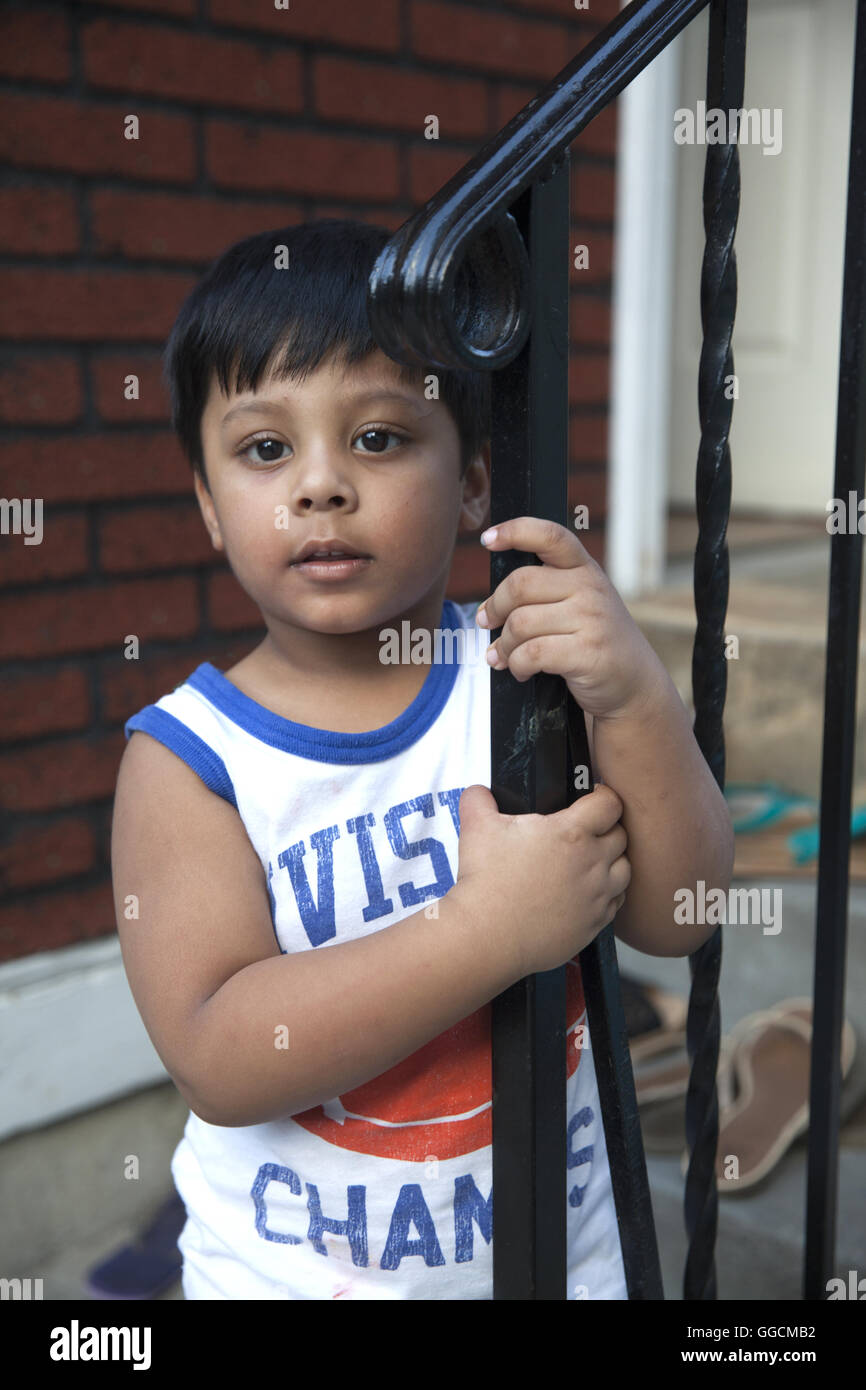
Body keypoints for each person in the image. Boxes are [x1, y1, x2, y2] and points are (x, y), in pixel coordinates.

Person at [111, 218, 734, 1300]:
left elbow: (681, 914)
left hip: (562, 1268)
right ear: (209, 505)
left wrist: (637, 696)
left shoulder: (523, 671)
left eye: (379, 437)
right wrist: (486, 930)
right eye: (266, 450)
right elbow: (218, 1056)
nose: (320, 485)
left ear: (476, 480)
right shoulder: (192, 761)